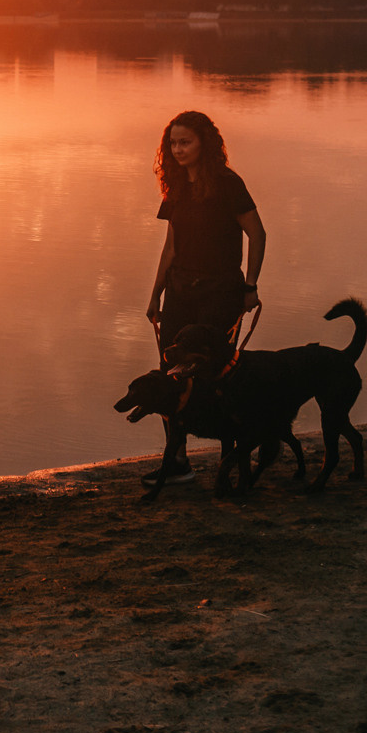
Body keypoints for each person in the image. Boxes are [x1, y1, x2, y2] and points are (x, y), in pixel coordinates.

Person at [144, 110, 266, 482]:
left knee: (215, 377)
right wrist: (155, 296)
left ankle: (232, 458)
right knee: (171, 374)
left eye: (186, 142)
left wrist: (250, 287)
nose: (178, 150)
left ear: (205, 144)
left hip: (220, 292)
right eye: (173, 143)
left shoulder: (229, 184)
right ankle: (177, 461)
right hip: (180, 291)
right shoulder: (176, 187)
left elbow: (258, 234)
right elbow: (170, 248)